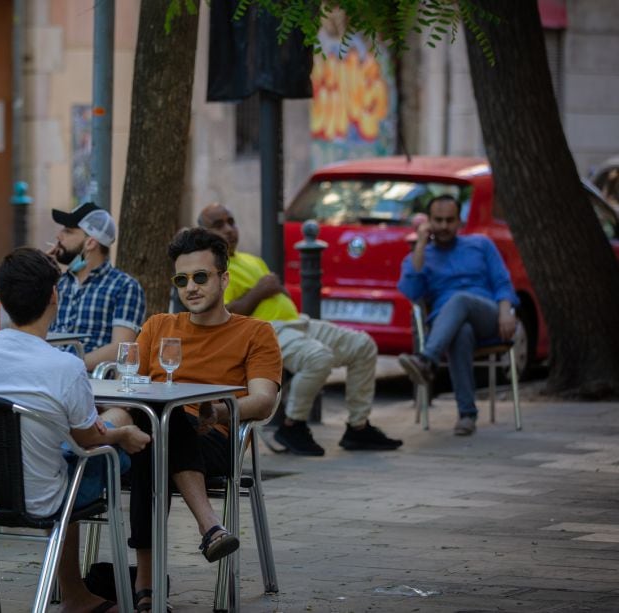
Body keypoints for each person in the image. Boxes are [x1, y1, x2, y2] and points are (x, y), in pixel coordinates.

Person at [0, 247, 150, 613]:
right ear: (54, 295)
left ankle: (74, 593)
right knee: (108, 431)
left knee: (58, 454)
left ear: (2, 299)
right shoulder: (65, 367)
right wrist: (121, 433)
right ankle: (81, 593)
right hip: (40, 499)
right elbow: (89, 440)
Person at [128, 228, 282, 611]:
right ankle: (210, 527)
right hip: (161, 431)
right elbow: (133, 393)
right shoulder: (158, 326)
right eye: (182, 280)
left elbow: (263, 400)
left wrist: (222, 408)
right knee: (159, 423)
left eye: (201, 277)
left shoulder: (256, 332)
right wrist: (115, 427)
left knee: (163, 425)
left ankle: (145, 584)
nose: (191, 287)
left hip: (218, 437)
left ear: (224, 278)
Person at [198, 203, 402, 456]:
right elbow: (220, 318)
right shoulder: (209, 270)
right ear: (203, 233)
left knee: (363, 345)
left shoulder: (252, 260)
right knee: (318, 357)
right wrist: (261, 291)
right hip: (262, 333)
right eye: (219, 225)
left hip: (296, 322)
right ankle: (292, 426)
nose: (229, 230)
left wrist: (274, 292)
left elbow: (275, 290)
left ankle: (358, 428)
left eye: (231, 222)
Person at [397, 195, 519, 436]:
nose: (444, 226)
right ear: (429, 222)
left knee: (460, 299)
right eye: (438, 220)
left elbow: (502, 282)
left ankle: (426, 360)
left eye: (449, 220)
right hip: (449, 328)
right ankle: (467, 414)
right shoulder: (420, 257)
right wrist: (420, 244)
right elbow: (412, 292)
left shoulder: (480, 245)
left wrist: (506, 310)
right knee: (461, 332)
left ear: (459, 222)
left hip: (488, 317)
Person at [48, 202, 146, 370]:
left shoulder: (125, 286)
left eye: (68, 231)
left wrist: (66, 367)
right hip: (49, 379)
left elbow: (120, 349)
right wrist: (41, 272)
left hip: (92, 384)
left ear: (91, 243)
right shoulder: (58, 282)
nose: (59, 236)